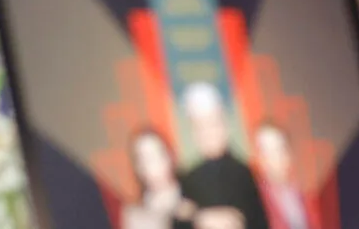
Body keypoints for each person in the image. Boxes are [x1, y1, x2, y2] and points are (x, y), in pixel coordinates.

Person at [178, 85, 272, 229]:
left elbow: (260, 221)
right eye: (200, 126)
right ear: (193, 133)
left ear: (225, 125)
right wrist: (200, 219)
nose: (208, 132)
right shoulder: (187, 180)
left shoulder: (245, 173)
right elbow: (180, 220)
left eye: (212, 123)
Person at [122, 127, 192, 229]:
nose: (155, 164)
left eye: (158, 154)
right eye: (146, 159)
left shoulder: (193, 194)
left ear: (170, 156)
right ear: (138, 168)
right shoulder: (135, 215)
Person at [252, 123, 312, 229]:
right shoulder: (256, 201)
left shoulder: (299, 194)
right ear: (259, 158)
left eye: (279, 149)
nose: (275, 158)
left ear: (289, 153)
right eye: (267, 152)